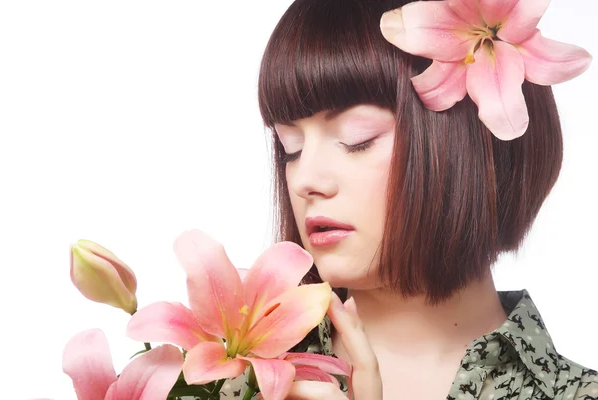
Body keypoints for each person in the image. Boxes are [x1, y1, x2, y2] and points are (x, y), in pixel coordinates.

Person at [216, 0, 597, 399]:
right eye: (290, 147)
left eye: (356, 139)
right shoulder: (228, 383)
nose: (305, 180)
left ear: (463, 143)